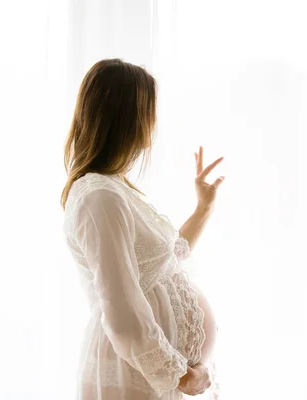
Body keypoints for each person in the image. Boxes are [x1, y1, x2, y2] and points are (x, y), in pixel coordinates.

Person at [61, 59, 223, 400]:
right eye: (149, 111)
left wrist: (203, 208)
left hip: (148, 372)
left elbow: (169, 259)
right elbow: (120, 307)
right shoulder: (99, 197)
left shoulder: (112, 188)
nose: (154, 124)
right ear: (129, 118)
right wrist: (179, 375)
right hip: (135, 373)